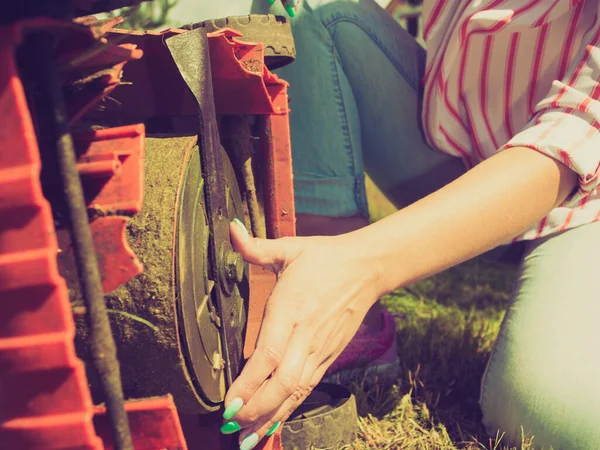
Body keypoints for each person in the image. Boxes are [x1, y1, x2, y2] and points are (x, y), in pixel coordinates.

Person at [213, 1, 600, 449]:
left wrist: (363, 266)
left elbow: (576, 135)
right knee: (302, 7)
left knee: (554, 416)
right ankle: (345, 308)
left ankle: (339, 277)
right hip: (458, 152)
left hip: (582, 199)